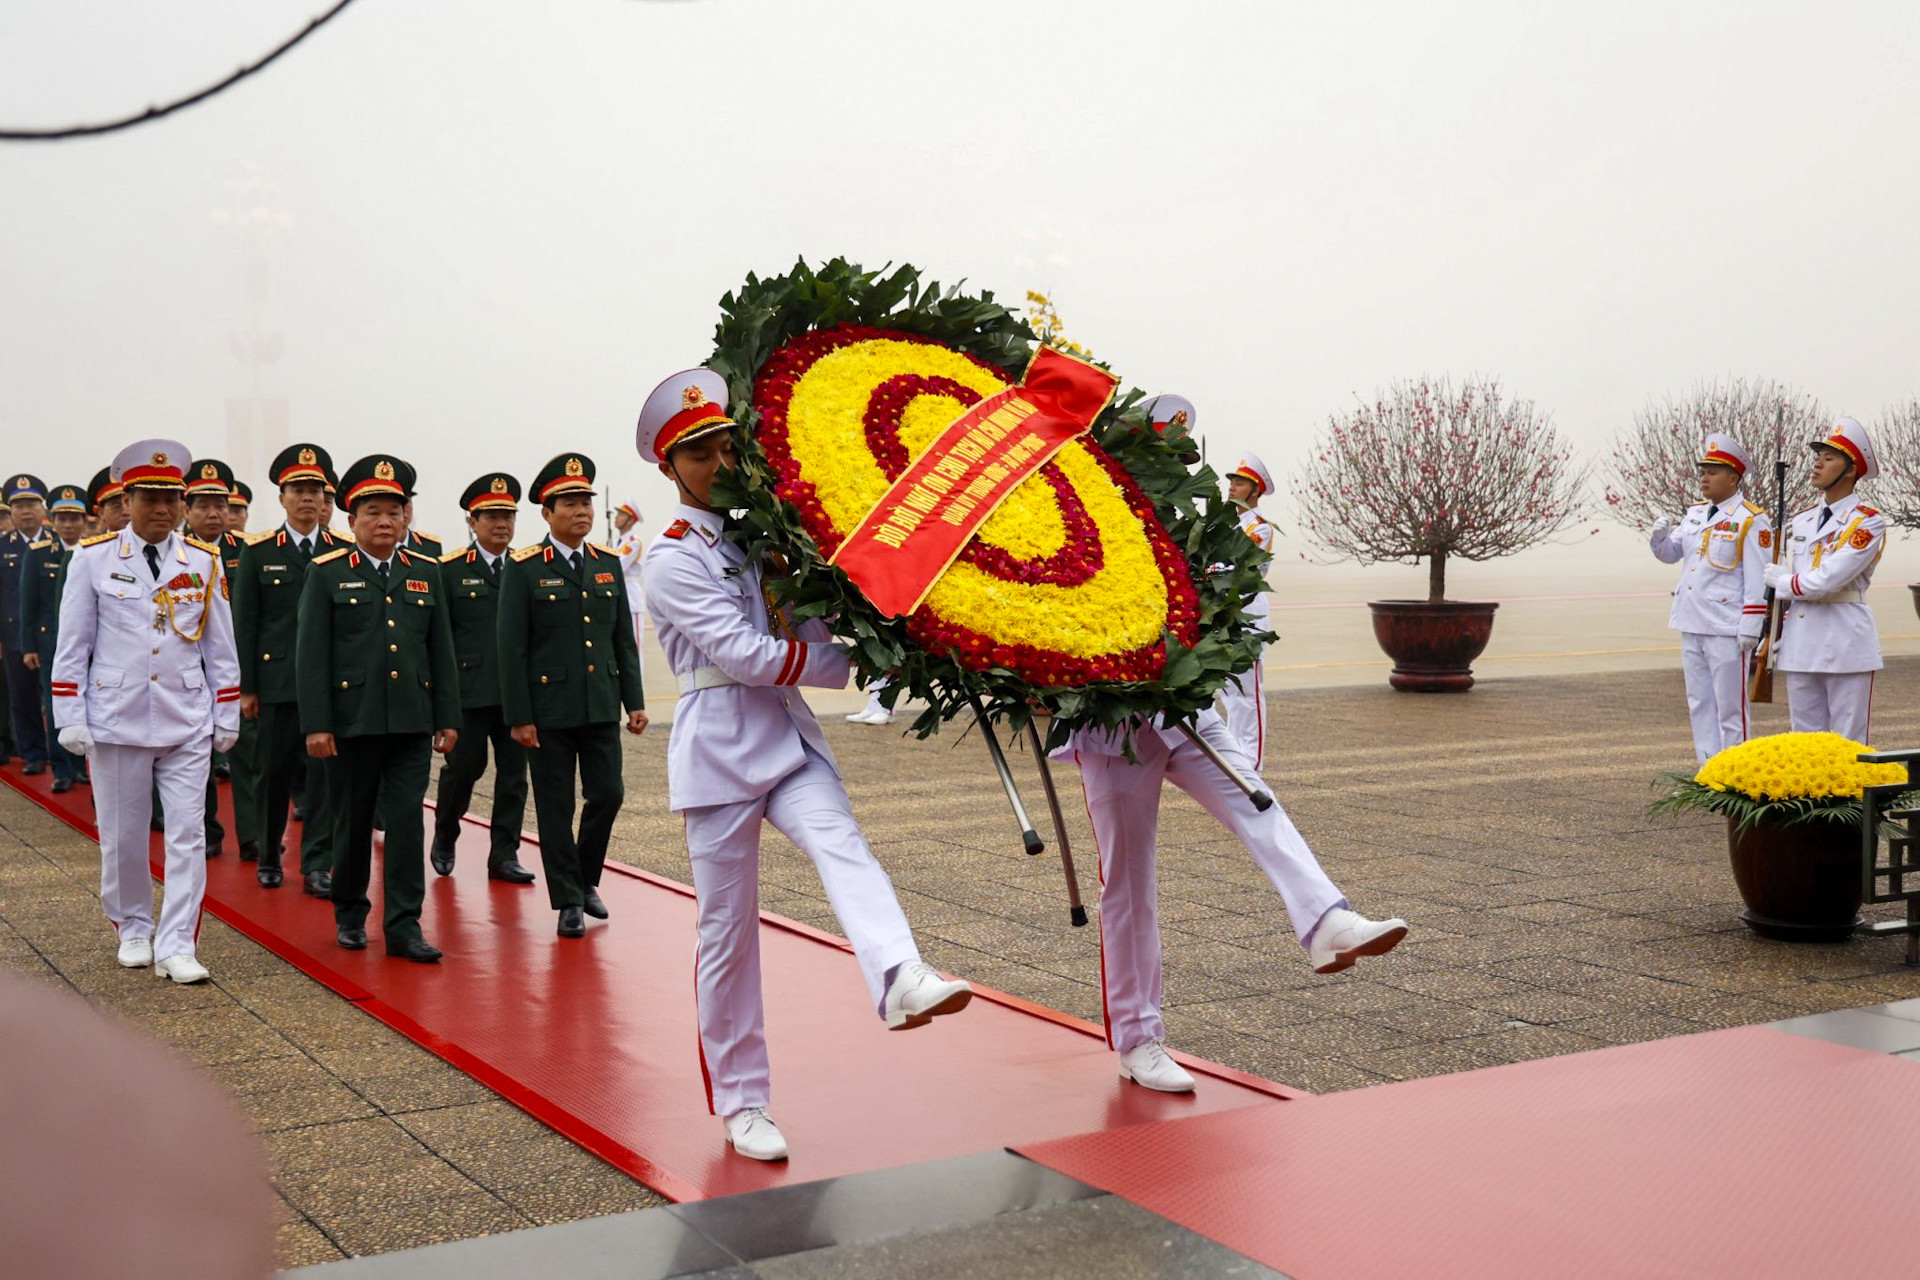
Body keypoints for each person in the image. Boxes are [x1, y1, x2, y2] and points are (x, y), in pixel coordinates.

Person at [640, 368, 972, 1162]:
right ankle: (743, 1101)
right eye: (697, 454)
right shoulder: (671, 557)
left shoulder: (772, 540)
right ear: (668, 470)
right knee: (726, 936)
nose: (718, 463)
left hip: (785, 739)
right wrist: (843, 663)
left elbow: (819, 614)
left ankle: (899, 974)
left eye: (725, 446)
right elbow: (742, 653)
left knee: (842, 842)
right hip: (718, 748)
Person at [1067, 711, 1405, 1093]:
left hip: (1182, 705)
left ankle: (1327, 921)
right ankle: (1137, 1038)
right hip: (1112, 726)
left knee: (1257, 803)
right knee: (1128, 880)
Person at [50, 439, 239, 984]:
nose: (161, 510)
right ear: (126, 501)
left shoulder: (202, 560)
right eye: (149, 499)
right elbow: (73, 644)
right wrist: (70, 714)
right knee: (124, 834)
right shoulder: (93, 557)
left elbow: (219, 644)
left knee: (188, 833)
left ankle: (178, 941)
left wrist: (226, 711)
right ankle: (132, 926)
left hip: (185, 715)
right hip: (116, 716)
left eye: (170, 500)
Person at [297, 455, 461, 962]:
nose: (385, 521)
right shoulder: (326, 574)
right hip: (352, 723)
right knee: (352, 819)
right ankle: (349, 912)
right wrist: (318, 725)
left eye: (395, 511)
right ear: (351, 520)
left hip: (411, 720)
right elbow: (312, 655)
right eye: (373, 512)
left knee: (408, 822)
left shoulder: (425, 573)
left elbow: (442, 652)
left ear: (407, 517)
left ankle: (404, 925)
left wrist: (448, 718)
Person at [497, 453, 647, 937]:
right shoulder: (524, 569)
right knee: (556, 807)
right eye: (570, 503)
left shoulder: (606, 564)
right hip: (548, 712)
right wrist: (519, 716)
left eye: (585, 501)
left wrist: (635, 701)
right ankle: (567, 901)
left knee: (608, 794)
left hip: (600, 704)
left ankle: (584, 878)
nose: (581, 510)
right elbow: (511, 649)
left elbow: (622, 639)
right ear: (547, 512)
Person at [234, 444, 341, 891]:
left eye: (316, 490)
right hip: (278, 684)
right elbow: (247, 625)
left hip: (333, 686)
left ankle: (317, 863)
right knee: (272, 775)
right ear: (282, 497)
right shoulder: (259, 553)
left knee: (324, 780)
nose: (308, 499)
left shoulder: (341, 551)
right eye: (298, 489)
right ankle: (268, 851)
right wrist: (247, 687)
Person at [429, 472, 536, 884]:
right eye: (491, 516)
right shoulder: (450, 570)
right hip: (468, 694)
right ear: (472, 522)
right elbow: (439, 639)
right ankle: (445, 833)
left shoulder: (525, 568)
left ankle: (504, 854)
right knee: (463, 770)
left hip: (515, 698)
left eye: (507, 516)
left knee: (513, 778)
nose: (501, 524)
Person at [1648, 432, 1771, 763]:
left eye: (1712, 472)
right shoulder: (1695, 514)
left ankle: (1736, 769)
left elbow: (1758, 577)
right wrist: (1659, 539)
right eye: (1702, 471)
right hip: (1691, 619)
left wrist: (1751, 625)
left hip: (1726, 625)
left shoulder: (1751, 519)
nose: (1704, 477)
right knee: (1699, 701)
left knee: (1731, 705)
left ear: (1733, 478)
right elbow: (1673, 554)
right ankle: (1709, 769)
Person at [1764, 417, 1886, 742]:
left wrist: (1784, 582)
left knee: (1848, 744)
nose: (1817, 463)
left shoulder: (1867, 523)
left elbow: (1827, 580)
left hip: (1845, 639)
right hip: (1802, 640)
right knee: (1805, 744)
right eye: (1817, 457)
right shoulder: (1802, 520)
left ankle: (1850, 797)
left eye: (1829, 458)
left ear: (1850, 470)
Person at [19, 484, 89, 791]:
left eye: (74, 519)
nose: (69, 525)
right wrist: (28, 646)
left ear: (85, 521)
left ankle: (80, 766)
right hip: (51, 643)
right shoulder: (38, 554)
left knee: (84, 705)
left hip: (86, 645)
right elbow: (27, 602)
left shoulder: (93, 551)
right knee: (56, 704)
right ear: (53, 521)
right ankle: (61, 769)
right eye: (62, 519)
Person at [1219, 446, 1277, 770]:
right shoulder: (1223, 526)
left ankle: (1251, 766)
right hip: (1225, 616)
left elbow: (1240, 570)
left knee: (1248, 693)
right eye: (1232, 481)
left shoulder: (1260, 529)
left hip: (1249, 615)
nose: (1232, 487)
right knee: (1229, 691)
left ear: (1255, 491)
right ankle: (1234, 763)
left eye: (1240, 482)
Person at [2, 474, 51, 776]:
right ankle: (33, 753)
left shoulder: (55, 545)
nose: (26, 510)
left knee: (57, 696)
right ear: (11, 512)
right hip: (12, 633)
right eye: (18, 505)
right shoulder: (2, 547)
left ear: (42, 508)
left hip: (49, 634)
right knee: (21, 697)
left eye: (31, 503)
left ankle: (64, 756)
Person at [611, 500, 646, 648]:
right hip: (619, 594)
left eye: (621, 515)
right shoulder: (616, 542)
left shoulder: (633, 542)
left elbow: (618, 566)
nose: (616, 518)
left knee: (634, 646)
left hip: (631, 597)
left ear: (631, 519)